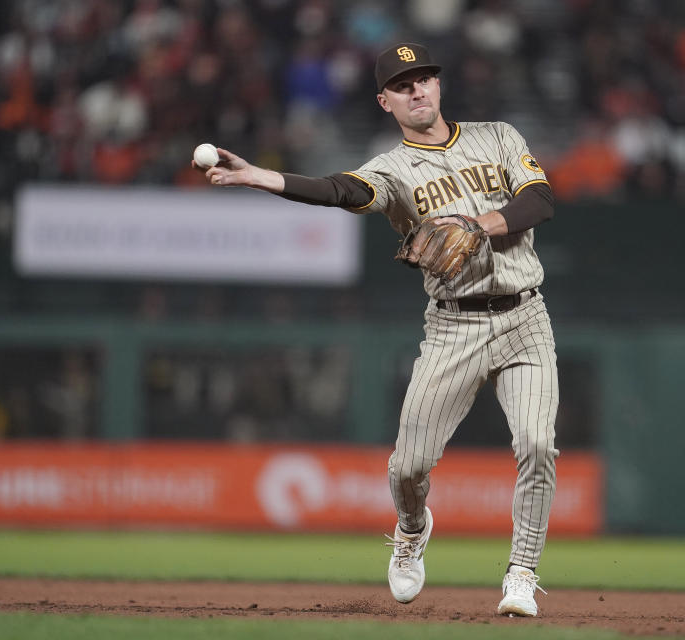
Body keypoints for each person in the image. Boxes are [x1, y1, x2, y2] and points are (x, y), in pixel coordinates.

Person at [197, 43, 559, 618]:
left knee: (538, 445)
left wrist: (476, 224)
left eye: (425, 79)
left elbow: (539, 201)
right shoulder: (393, 169)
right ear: (384, 100)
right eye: (404, 84)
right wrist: (261, 177)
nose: (418, 90)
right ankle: (413, 528)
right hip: (453, 327)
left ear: (439, 86)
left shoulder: (499, 135)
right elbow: (344, 191)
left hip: (524, 316)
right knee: (409, 466)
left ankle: (522, 573)